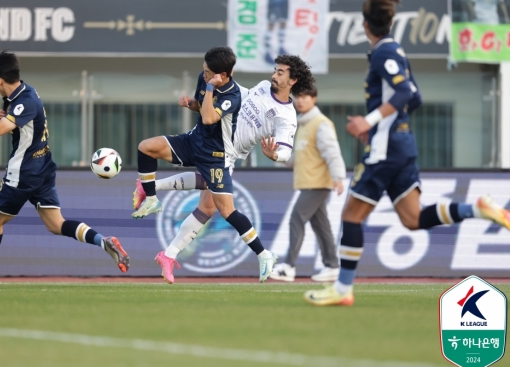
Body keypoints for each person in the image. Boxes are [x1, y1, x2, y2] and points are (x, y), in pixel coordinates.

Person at [303, 0, 510, 306]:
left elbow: (406, 93)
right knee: (412, 218)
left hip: (387, 149)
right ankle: (478, 209)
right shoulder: (394, 50)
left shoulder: (384, 52)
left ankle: (343, 289)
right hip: (401, 144)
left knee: (351, 216)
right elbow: (415, 98)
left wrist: (370, 122)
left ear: (365, 25)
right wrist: (382, 126)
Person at [132, 54, 315, 284]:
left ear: (293, 80)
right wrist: (216, 82)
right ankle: (169, 252)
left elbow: (286, 151)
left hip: (226, 154)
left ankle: (155, 204)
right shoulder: (262, 87)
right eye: (275, 70)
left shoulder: (287, 117)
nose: (273, 75)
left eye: (280, 72)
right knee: (212, 207)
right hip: (211, 143)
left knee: (214, 208)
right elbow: (236, 96)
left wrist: (275, 154)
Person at [0, 51, 129, 284]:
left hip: (23, 173)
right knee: (56, 224)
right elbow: (26, 123)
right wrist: (9, 118)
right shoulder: (27, 93)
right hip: (42, 168)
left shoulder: (23, 102)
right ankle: (103, 241)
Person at [269, 86, 346, 283]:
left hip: (317, 184)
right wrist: (276, 154)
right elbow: (298, 157)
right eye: (298, 97)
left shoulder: (321, 124)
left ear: (314, 99)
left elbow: (332, 152)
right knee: (322, 226)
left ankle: (289, 267)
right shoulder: (303, 125)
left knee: (296, 219)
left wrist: (338, 177)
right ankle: (332, 266)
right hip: (309, 183)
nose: (300, 100)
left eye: (305, 97)